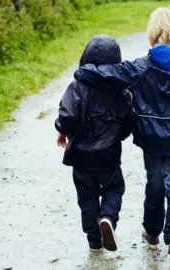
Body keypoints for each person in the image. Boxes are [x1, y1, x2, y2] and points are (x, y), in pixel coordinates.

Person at [73, 8, 170, 261]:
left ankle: (152, 233)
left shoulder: (140, 67)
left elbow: (111, 74)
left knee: (155, 185)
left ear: (151, 40)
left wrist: (83, 72)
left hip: (151, 140)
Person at [55, 35, 134, 252]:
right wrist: (118, 136)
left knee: (87, 198)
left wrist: (62, 130)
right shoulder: (121, 91)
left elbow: (68, 116)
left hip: (81, 158)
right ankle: (107, 218)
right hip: (109, 157)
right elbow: (129, 121)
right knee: (114, 188)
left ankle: (93, 239)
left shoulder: (77, 86)